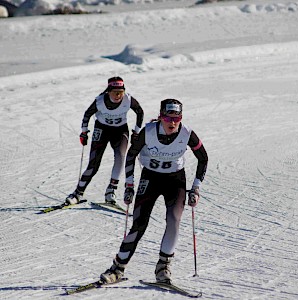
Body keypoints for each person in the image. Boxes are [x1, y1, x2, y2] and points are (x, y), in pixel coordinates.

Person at [99, 98, 208, 284]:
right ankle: (117, 268)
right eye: (168, 118)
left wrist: (196, 188)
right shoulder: (148, 132)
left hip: (175, 180)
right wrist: (129, 185)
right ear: (160, 117)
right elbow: (131, 156)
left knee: (174, 219)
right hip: (150, 178)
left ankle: (163, 267)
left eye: (177, 118)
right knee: (139, 223)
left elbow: (203, 158)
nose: (173, 122)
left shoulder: (187, 133)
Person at [65, 76, 144, 205]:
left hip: (120, 131)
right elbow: (87, 114)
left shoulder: (128, 100)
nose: (118, 95)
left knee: (120, 156)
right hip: (102, 130)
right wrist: (84, 132)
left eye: (121, 92)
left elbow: (140, 112)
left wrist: (137, 131)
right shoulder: (100, 101)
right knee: (94, 163)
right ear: (108, 91)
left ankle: (110, 191)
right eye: (115, 92)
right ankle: (78, 193)